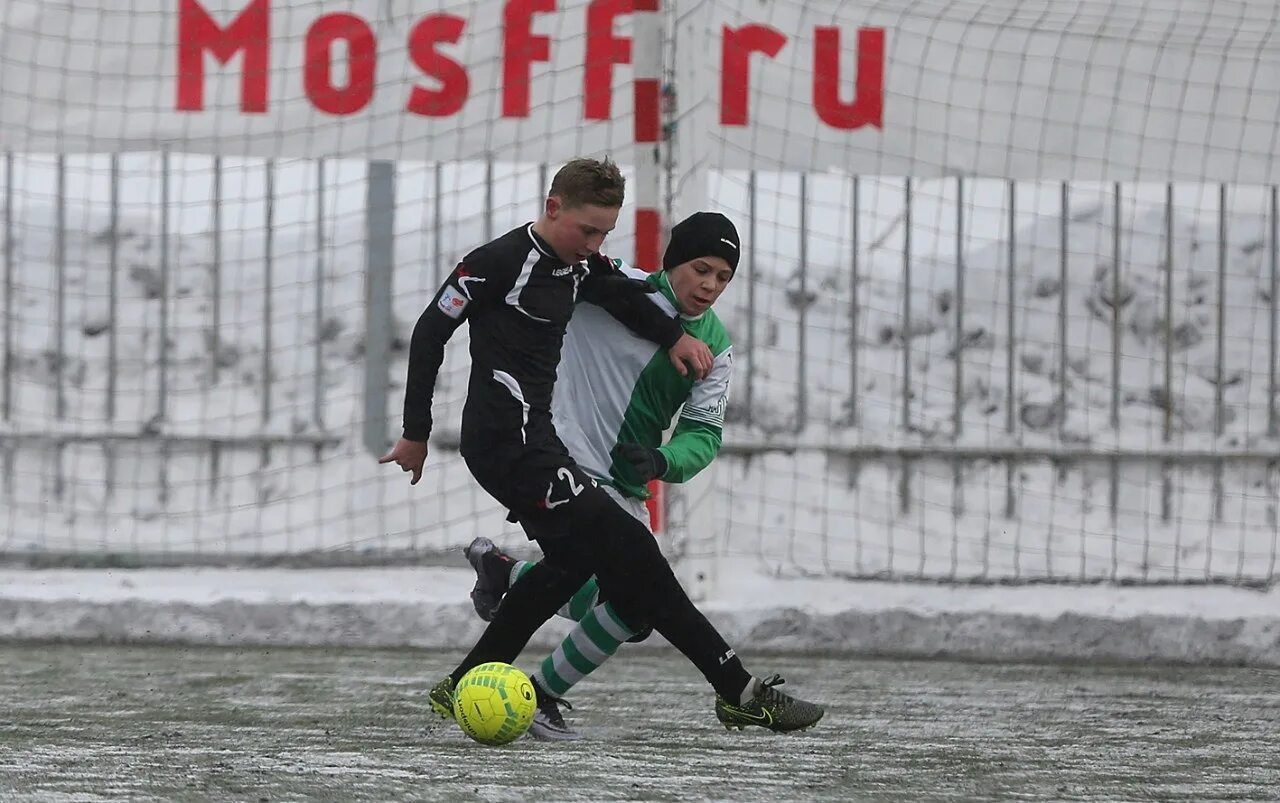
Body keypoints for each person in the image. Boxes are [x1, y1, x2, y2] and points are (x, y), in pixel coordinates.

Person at [381, 159, 822, 738]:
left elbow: (627, 304)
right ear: (553, 207)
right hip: (510, 447)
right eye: (587, 231)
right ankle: (737, 690)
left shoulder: (583, 270)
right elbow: (428, 331)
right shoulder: (496, 263)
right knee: (637, 559)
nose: (594, 245)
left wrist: (674, 343)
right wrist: (416, 431)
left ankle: (467, 675)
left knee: (593, 578)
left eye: (604, 235)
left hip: (540, 449)